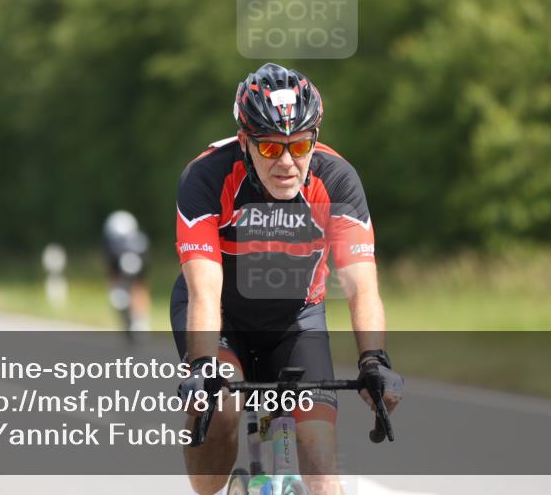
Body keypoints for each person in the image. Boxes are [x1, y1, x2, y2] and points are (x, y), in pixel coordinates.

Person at [172, 63, 403, 495]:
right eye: (270, 147)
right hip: (222, 317)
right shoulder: (207, 177)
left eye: (298, 146)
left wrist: (373, 359)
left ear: (314, 139)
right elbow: (204, 290)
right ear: (245, 141)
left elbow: (361, 287)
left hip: (296, 320)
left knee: (320, 461)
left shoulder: (337, 181)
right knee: (222, 410)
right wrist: (202, 367)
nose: (286, 163)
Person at [103, 210, 152, 333]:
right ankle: (125, 320)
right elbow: (110, 270)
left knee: (139, 286)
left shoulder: (140, 243)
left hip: (137, 270)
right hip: (119, 272)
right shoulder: (110, 247)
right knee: (117, 295)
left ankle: (140, 319)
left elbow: (144, 269)